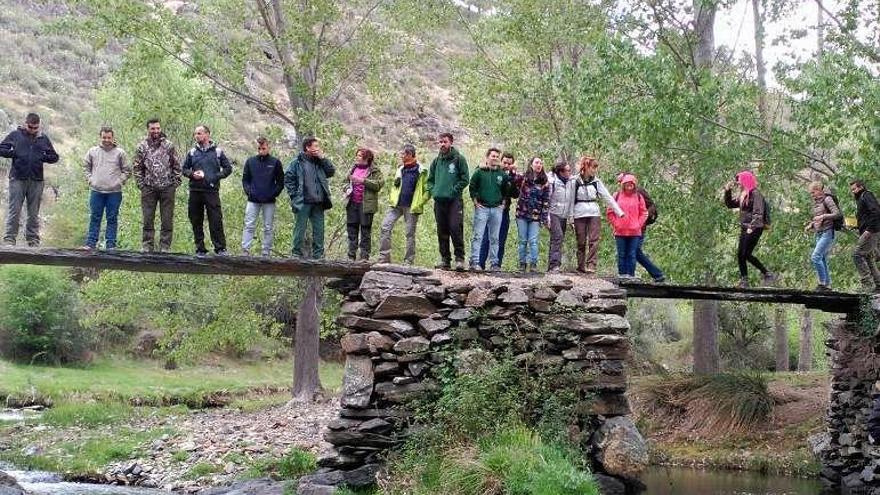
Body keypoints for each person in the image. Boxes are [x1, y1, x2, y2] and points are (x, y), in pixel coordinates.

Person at [0, 112, 59, 247]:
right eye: (30, 127)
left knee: (33, 213)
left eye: (35, 128)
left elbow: (54, 157)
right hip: (17, 178)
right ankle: (9, 239)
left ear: (39, 126)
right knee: (14, 210)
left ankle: (32, 240)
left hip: (36, 180)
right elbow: (1, 148)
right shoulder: (16, 135)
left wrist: (41, 157)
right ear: (25, 124)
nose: (33, 130)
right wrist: (14, 153)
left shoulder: (43, 138)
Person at [182, 125, 233, 256]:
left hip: (211, 191)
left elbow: (228, 169)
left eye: (199, 133)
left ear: (207, 134)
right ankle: (200, 248)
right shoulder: (192, 152)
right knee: (195, 220)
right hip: (195, 191)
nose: (196, 136)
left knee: (215, 219)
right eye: (195, 134)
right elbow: (184, 169)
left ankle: (220, 248)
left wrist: (216, 177)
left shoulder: (218, 152)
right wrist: (192, 174)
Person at [133, 118, 181, 252]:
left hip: (167, 188)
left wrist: (175, 183)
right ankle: (148, 245)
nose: (156, 131)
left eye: (158, 128)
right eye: (153, 128)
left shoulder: (169, 145)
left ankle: (165, 246)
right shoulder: (142, 146)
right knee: (148, 218)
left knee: (167, 218)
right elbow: (137, 167)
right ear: (148, 129)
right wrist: (141, 184)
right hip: (148, 188)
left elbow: (176, 165)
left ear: (160, 128)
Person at [723, 170, 777, 288]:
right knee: (741, 254)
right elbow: (730, 204)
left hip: (755, 227)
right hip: (745, 227)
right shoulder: (744, 194)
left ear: (746, 181)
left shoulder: (755, 194)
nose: (739, 184)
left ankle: (767, 274)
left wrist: (751, 227)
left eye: (740, 181)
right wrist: (727, 190)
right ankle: (745, 281)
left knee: (746, 254)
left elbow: (758, 212)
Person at [570, 156, 623, 274]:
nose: (594, 170)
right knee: (581, 241)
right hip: (579, 213)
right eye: (593, 167)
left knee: (594, 240)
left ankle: (591, 265)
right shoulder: (575, 181)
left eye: (595, 168)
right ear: (586, 167)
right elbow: (570, 200)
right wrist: (570, 218)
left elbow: (607, 197)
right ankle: (580, 266)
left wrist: (619, 212)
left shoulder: (596, 182)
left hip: (594, 212)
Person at [377, 144, 429, 265]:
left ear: (410, 154)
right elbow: (396, 186)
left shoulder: (421, 170)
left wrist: (420, 203)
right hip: (396, 205)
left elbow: (427, 190)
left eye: (403, 154)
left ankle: (408, 261)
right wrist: (392, 197)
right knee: (385, 227)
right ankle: (384, 258)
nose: (401, 156)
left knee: (409, 233)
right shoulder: (400, 169)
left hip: (411, 207)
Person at [285, 137, 335, 259]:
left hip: (319, 202)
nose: (318, 149)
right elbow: (288, 178)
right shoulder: (296, 163)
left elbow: (331, 172)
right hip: (303, 202)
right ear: (308, 147)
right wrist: (294, 195)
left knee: (319, 230)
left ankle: (318, 255)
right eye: (316, 146)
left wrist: (323, 158)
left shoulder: (320, 162)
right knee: (300, 228)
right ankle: (296, 253)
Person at [427, 132, 469, 271]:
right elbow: (430, 180)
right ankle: (445, 260)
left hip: (454, 201)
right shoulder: (436, 161)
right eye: (440, 142)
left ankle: (460, 259)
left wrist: (453, 191)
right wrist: (434, 191)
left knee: (455, 228)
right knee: (442, 230)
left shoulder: (458, 159)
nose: (442, 144)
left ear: (451, 142)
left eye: (444, 142)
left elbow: (465, 179)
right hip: (439, 201)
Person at [83, 126, 130, 250]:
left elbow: (127, 170)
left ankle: (111, 245)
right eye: (104, 137)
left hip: (114, 192)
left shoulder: (120, 153)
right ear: (100, 137)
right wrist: (90, 179)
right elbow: (86, 167)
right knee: (95, 217)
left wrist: (119, 182)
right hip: (96, 191)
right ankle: (90, 244)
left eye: (109, 137)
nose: (106, 140)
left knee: (112, 218)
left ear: (113, 138)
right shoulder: (92, 151)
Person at [616, 171, 665, 282]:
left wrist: (640, 221)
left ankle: (656, 274)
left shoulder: (639, 192)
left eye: (621, 180)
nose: (620, 183)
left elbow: (652, 206)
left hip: (638, 228)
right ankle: (630, 276)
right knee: (632, 252)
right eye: (619, 182)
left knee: (634, 251)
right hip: (625, 229)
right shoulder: (620, 194)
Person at [468, 147, 513, 271]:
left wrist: (503, 203)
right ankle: (474, 262)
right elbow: (472, 186)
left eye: (497, 157)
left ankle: (494, 263)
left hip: (496, 209)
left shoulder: (502, 174)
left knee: (495, 237)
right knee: (478, 235)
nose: (495, 158)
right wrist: (475, 201)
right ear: (487, 157)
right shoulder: (479, 171)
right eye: (493, 156)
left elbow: (506, 190)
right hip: (482, 208)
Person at [241, 137, 284, 256]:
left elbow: (280, 182)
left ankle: (266, 252)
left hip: (269, 201)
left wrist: (273, 193)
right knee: (249, 225)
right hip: (253, 200)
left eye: (263, 148)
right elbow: (245, 180)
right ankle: (245, 250)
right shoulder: (250, 161)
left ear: (268, 147)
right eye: (259, 148)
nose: (261, 151)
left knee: (268, 227)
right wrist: (249, 192)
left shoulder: (275, 162)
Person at [478, 152, 518, 269]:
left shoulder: (511, 176)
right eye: (504, 162)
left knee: (500, 239)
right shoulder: (492, 171)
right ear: (501, 161)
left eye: (509, 164)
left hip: (503, 212)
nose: (506, 165)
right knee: (486, 238)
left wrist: (512, 177)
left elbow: (515, 194)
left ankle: (496, 264)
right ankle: (480, 264)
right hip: (488, 209)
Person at [345, 148, 383, 260]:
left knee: (365, 230)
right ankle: (351, 256)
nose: (357, 157)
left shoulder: (374, 171)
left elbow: (378, 185)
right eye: (357, 155)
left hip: (366, 204)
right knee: (352, 229)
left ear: (367, 158)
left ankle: (364, 257)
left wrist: (362, 181)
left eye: (360, 156)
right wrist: (347, 188)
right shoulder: (353, 168)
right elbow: (345, 181)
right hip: (352, 203)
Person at [607, 174, 648, 278]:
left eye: (631, 184)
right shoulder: (616, 196)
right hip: (620, 231)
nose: (629, 186)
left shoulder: (639, 196)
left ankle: (631, 276)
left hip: (635, 232)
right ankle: (622, 276)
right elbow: (610, 212)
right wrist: (616, 224)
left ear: (634, 185)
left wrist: (638, 224)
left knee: (632, 254)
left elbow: (644, 212)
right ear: (623, 184)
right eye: (627, 184)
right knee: (621, 254)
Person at [515, 157, 550, 273]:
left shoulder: (544, 182)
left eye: (541, 163)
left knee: (533, 241)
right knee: (522, 240)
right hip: (522, 213)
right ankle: (522, 264)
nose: (539, 165)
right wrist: (512, 170)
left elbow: (546, 201)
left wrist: (544, 219)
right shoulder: (523, 178)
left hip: (535, 216)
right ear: (531, 164)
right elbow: (513, 181)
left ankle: (533, 264)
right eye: (536, 162)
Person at [805, 181, 842, 291]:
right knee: (823, 258)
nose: (812, 195)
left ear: (819, 190)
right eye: (811, 193)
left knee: (815, 257)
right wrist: (811, 225)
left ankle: (821, 283)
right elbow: (817, 218)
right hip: (819, 233)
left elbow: (837, 213)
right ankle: (827, 285)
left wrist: (823, 216)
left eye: (813, 192)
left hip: (828, 232)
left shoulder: (827, 199)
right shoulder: (816, 203)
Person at [850, 179, 880, 293]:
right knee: (868, 257)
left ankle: (867, 284)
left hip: (871, 231)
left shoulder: (866, 195)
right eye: (852, 190)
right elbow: (865, 216)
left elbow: (876, 212)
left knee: (857, 254)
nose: (853, 191)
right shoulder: (861, 198)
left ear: (861, 187)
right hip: (868, 231)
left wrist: (869, 229)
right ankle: (878, 285)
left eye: (855, 189)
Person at [547, 160, 573, 272]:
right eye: (568, 170)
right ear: (561, 172)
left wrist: (571, 218)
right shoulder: (552, 182)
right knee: (558, 236)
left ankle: (551, 266)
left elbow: (571, 200)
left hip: (564, 215)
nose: (570, 172)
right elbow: (547, 199)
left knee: (556, 239)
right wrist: (546, 216)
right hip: (553, 213)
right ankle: (554, 265)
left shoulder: (570, 182)